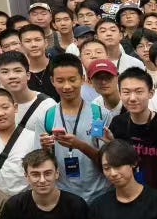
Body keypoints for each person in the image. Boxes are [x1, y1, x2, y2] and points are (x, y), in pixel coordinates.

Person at [39, 55, 110, 202]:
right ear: (52, 81)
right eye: (60, 81)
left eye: (72, 80)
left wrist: (79, 145)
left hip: (100, 193)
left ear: (82, 79)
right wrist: (45, 149)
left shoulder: (99, 114)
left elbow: (108, 160)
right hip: (64, 196)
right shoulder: (46, 118)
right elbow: (41, 162)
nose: (67, 86)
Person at [0, 87, 42, 195]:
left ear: (15, 107)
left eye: (5, 107)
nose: (0, 113)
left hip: (27, 198)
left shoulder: (32, 138)